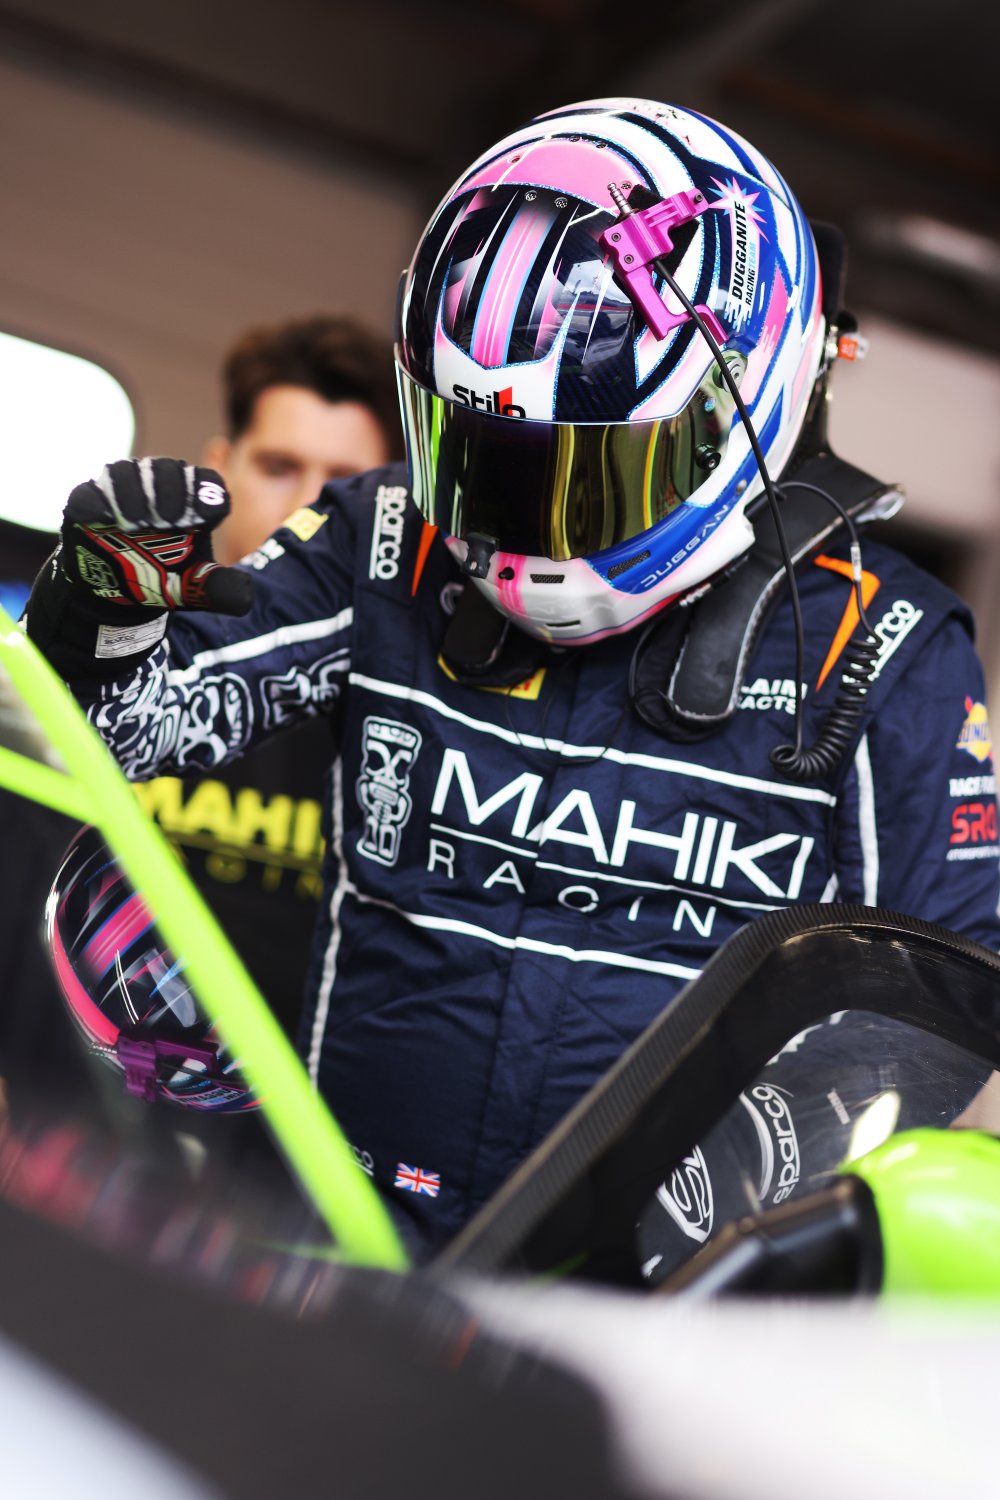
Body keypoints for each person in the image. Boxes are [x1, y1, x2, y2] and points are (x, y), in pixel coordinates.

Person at [24, 98, 1000, 1259]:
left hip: (641, 1308)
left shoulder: (889, 642)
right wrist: (99, 613)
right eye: (490, 459)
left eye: (590, 473)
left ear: (741, 403)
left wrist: (707, 1218)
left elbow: (936, 1001)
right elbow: (119, 735)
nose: (536, 524)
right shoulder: (386, 535)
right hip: (339, 1254)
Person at [129, 315, 403, 1035]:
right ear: (220, 471)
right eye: (280, 467)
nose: (310, 510)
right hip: (73, 1095)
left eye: (347, 489)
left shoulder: (418, 714)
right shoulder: (126, 673)